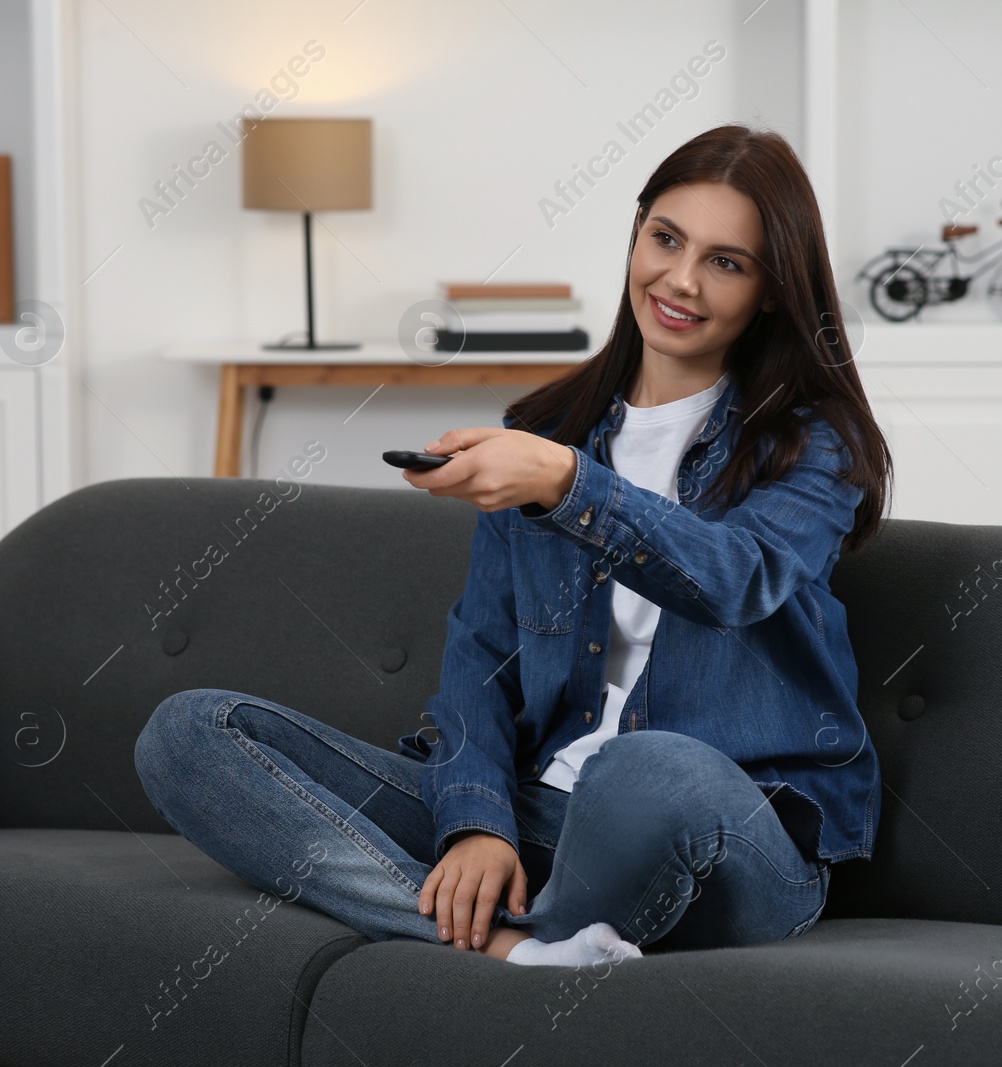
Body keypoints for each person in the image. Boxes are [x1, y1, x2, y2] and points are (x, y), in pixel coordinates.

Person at [133, 123, 892, 968]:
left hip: (717, 828)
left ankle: (516, 927)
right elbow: (482, 655)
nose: (679, 280)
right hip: (538, 814)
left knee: (645, 767)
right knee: (191, 730)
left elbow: (734, 581)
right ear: (636, 231)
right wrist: (475, 821)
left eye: (726, 261)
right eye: (665, 239)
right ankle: (514, 951)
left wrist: (567, 483)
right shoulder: (548, 430)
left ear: (773, 291)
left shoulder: (812, 445)